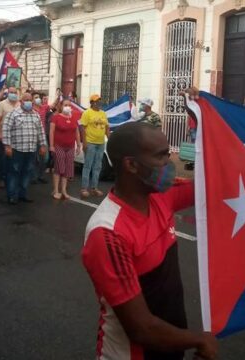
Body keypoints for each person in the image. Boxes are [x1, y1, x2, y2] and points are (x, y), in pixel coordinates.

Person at [82, 122, 217, 359]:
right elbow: (141, 328)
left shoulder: (160, 196)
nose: (170, 162)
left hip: (169, 346)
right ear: (131, 164)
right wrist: (198, 339)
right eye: (161, 156)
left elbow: (211, 185)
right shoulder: (107, 232)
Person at [2, 92, 47, 205]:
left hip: (31, 150)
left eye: (30, 100)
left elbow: (40, 131)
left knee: (27, 172)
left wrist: (42, 145)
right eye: (25, 100)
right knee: (14, 172)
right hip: (17, 149)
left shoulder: (35, 115)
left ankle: (23, 194)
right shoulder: (13, 114)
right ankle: (12, 195)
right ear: (21, 101)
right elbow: (6, 130)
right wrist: (7, 146)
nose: (28, 102)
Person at [80, 94, 110, 198]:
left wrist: (109, 138)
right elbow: (82, 128)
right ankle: (84, 188)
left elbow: (107, 127)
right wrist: (84, 142)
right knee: (88, 166)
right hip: (90, 142)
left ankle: (94, 188)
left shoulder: (103, 113)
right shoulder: (87, 113)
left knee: (97, 166)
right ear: (92, 102)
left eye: (100, 101)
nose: (99, 103)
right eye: (97, 101)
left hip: (100, 143)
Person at [49, 99, 80, 200]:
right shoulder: (56, 117)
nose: (68, 107)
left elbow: (77, 132)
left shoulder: (74, 118)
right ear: (61, 106)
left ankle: (64, 191)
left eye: (69, 105)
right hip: (59, 146)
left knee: (67, 169)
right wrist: (51, 145)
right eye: (65, 105)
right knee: (59, 168)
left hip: (70, 146)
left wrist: (78, 145)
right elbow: (52, 132)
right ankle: (56, 190)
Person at [0, 86, 20, 188]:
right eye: (11, 92)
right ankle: (1, 178)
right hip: (3, 135)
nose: (13, 94)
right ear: (7, 93)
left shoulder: (19, 104)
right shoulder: (1, 104)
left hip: (16, 136)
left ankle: (11, 178)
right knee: (2, 158)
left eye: (15, 92)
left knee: (13, 158)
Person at [32, 92, 51, 184]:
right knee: (35, 158)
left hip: (42, 136)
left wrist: (59, 96)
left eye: (38, 97)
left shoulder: (44, 107)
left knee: (45, 157)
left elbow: (53, 106)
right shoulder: (30, 109)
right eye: (35, 97)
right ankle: (34, 177)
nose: (38, 99)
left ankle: (40, 175)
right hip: (33, 136)